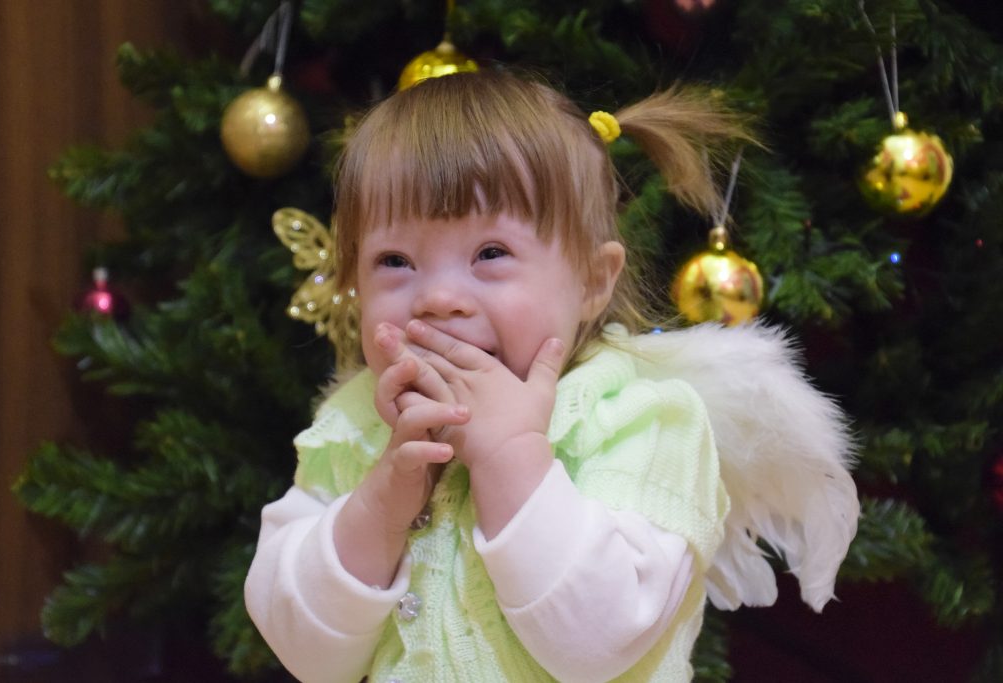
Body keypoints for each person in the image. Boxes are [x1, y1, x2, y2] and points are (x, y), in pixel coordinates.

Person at [245, 70, 858, 683]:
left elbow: (600, 641)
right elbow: (307, 656)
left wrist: (510, 457)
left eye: (490, 254)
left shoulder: (640, 421)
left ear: (593, 280)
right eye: (394, 261)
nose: (436, 297)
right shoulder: (352, 425)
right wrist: (379, 507)